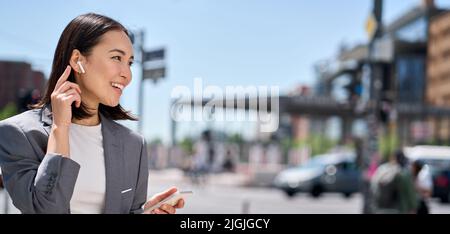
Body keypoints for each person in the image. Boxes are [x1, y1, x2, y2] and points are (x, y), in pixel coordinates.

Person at [0, 13, 184, 214]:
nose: (127, 74)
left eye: (130, 62)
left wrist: (144, 212)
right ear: (78, 60)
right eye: (116, 57)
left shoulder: (133, 144)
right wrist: (60, 128)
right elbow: (46, 210)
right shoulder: (17, 134)